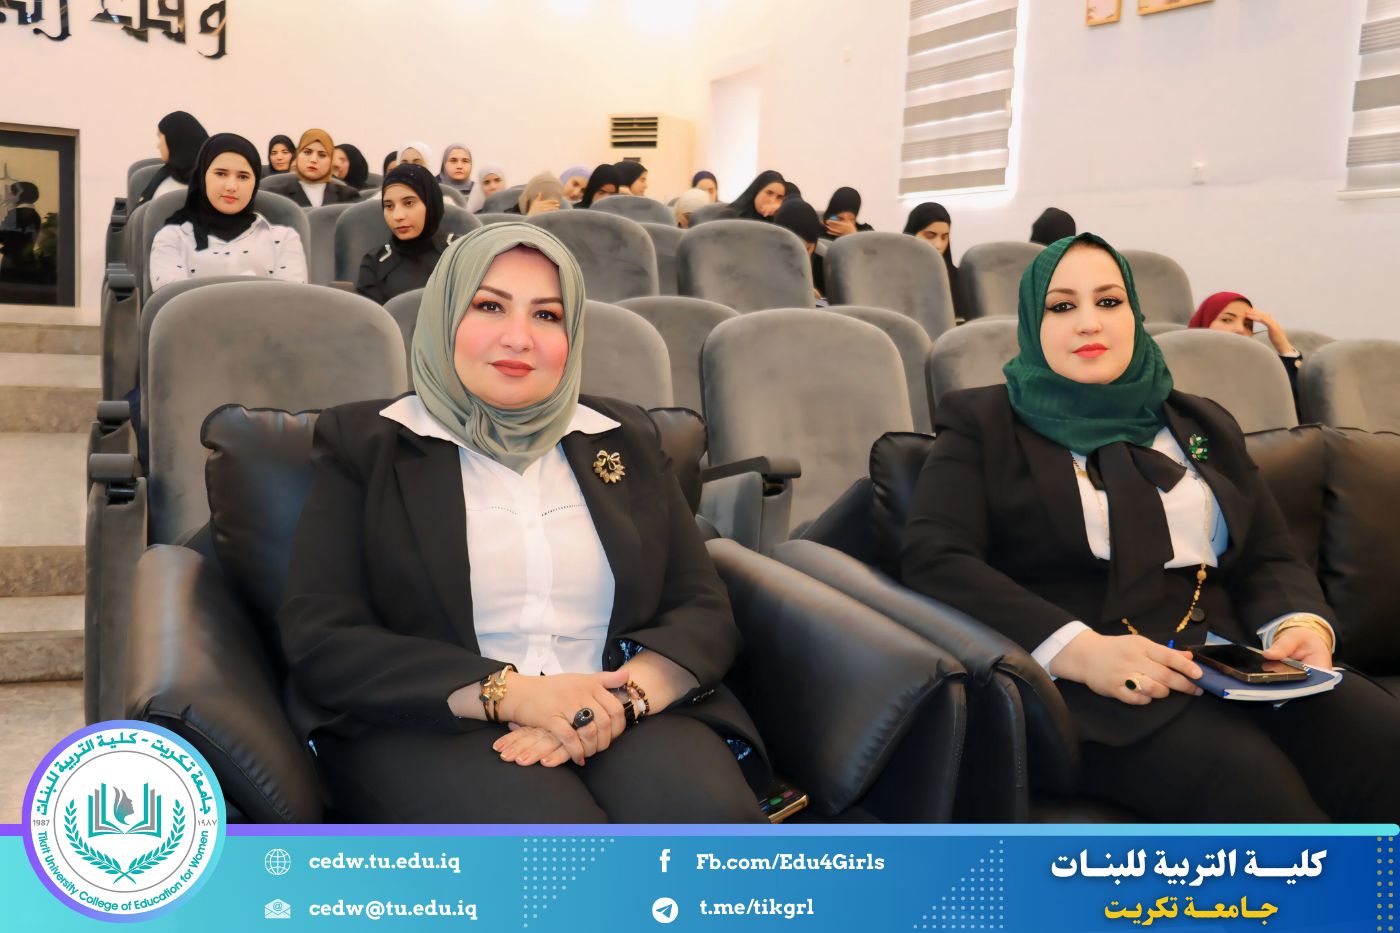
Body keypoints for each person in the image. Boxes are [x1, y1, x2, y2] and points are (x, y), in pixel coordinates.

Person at [899, 232, 1400, 822]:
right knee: (1257, 796)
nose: (1089, 322)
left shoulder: (1201, 421)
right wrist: (1078, 650)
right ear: (1034, 322)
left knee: (1382, 742)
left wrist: (1297, 623)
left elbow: (1267, 553)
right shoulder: (981, 421)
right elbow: (935, 557)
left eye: (1109, 301)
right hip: (1090, 686)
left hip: (1231, 662)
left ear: (1134, 315)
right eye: (1063, 306)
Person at [279, 222, 770, 823]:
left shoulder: (625, 438)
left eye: (546, 315)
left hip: (626, 707)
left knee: (708, 828)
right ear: (444, 317)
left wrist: (618, 700)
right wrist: (514, 694)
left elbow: (701, 605)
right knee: (552, 858)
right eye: (489, 306)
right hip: (436, 720)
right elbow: (323, 633)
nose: (519, 338)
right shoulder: (365, 444)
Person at [149, 133, 307, 292]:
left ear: (255, 184)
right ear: (202, 176)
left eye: (243, 177)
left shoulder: (284, 239)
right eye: (221, 174)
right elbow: (173, 301)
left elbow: (292, 302)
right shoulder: (172, 238)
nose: (231, 186)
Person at [355, 164, 454, 305]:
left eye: (408, 203)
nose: (397, 216)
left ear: (430, 203)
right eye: (389, 206)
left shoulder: (460, 253)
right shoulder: (374, 263)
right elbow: (373, 317)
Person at [1189, 292, 1303, 399]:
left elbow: (1300, 402)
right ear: (1205, 322)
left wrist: (1283, 345)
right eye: (1227, 320)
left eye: (1247, 325)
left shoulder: (1255, 371)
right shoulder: (1183, 367)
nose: (1240, 329)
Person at [904, 201, 965, 320]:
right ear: (912, 234)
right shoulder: (894, 279)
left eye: (944, 237)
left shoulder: (960, 280)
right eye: (930, 236)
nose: (938, 245)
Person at [135, 111, 207, 206]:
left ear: (173, 140)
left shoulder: (207, 186)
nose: (158, 146)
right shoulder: (168, 172)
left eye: (160, 138)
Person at [285, 129, 362, 208]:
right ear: (297, 155)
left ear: (331, 161)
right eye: (307, 152)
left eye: (322, 155)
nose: (313, 160)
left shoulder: (348, 195)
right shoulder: (279, 195)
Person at [772, 198, 824, 298]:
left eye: (808, 249)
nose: (803, 256)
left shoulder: (822, 264)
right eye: (791, 249)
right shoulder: (759, 260)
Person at [0, 181, 42, 282]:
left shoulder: (14, 214)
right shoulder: (36, 215)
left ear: (19, 195)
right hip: (29, 261)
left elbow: (3, 237)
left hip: (12, 263)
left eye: (11, 193)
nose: (7, 197)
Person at [439, 144, 478, 208]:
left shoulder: (479, 191)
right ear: (444, 164)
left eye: (465, 161)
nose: (459, 166)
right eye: (453, 161)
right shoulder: (432, 188)